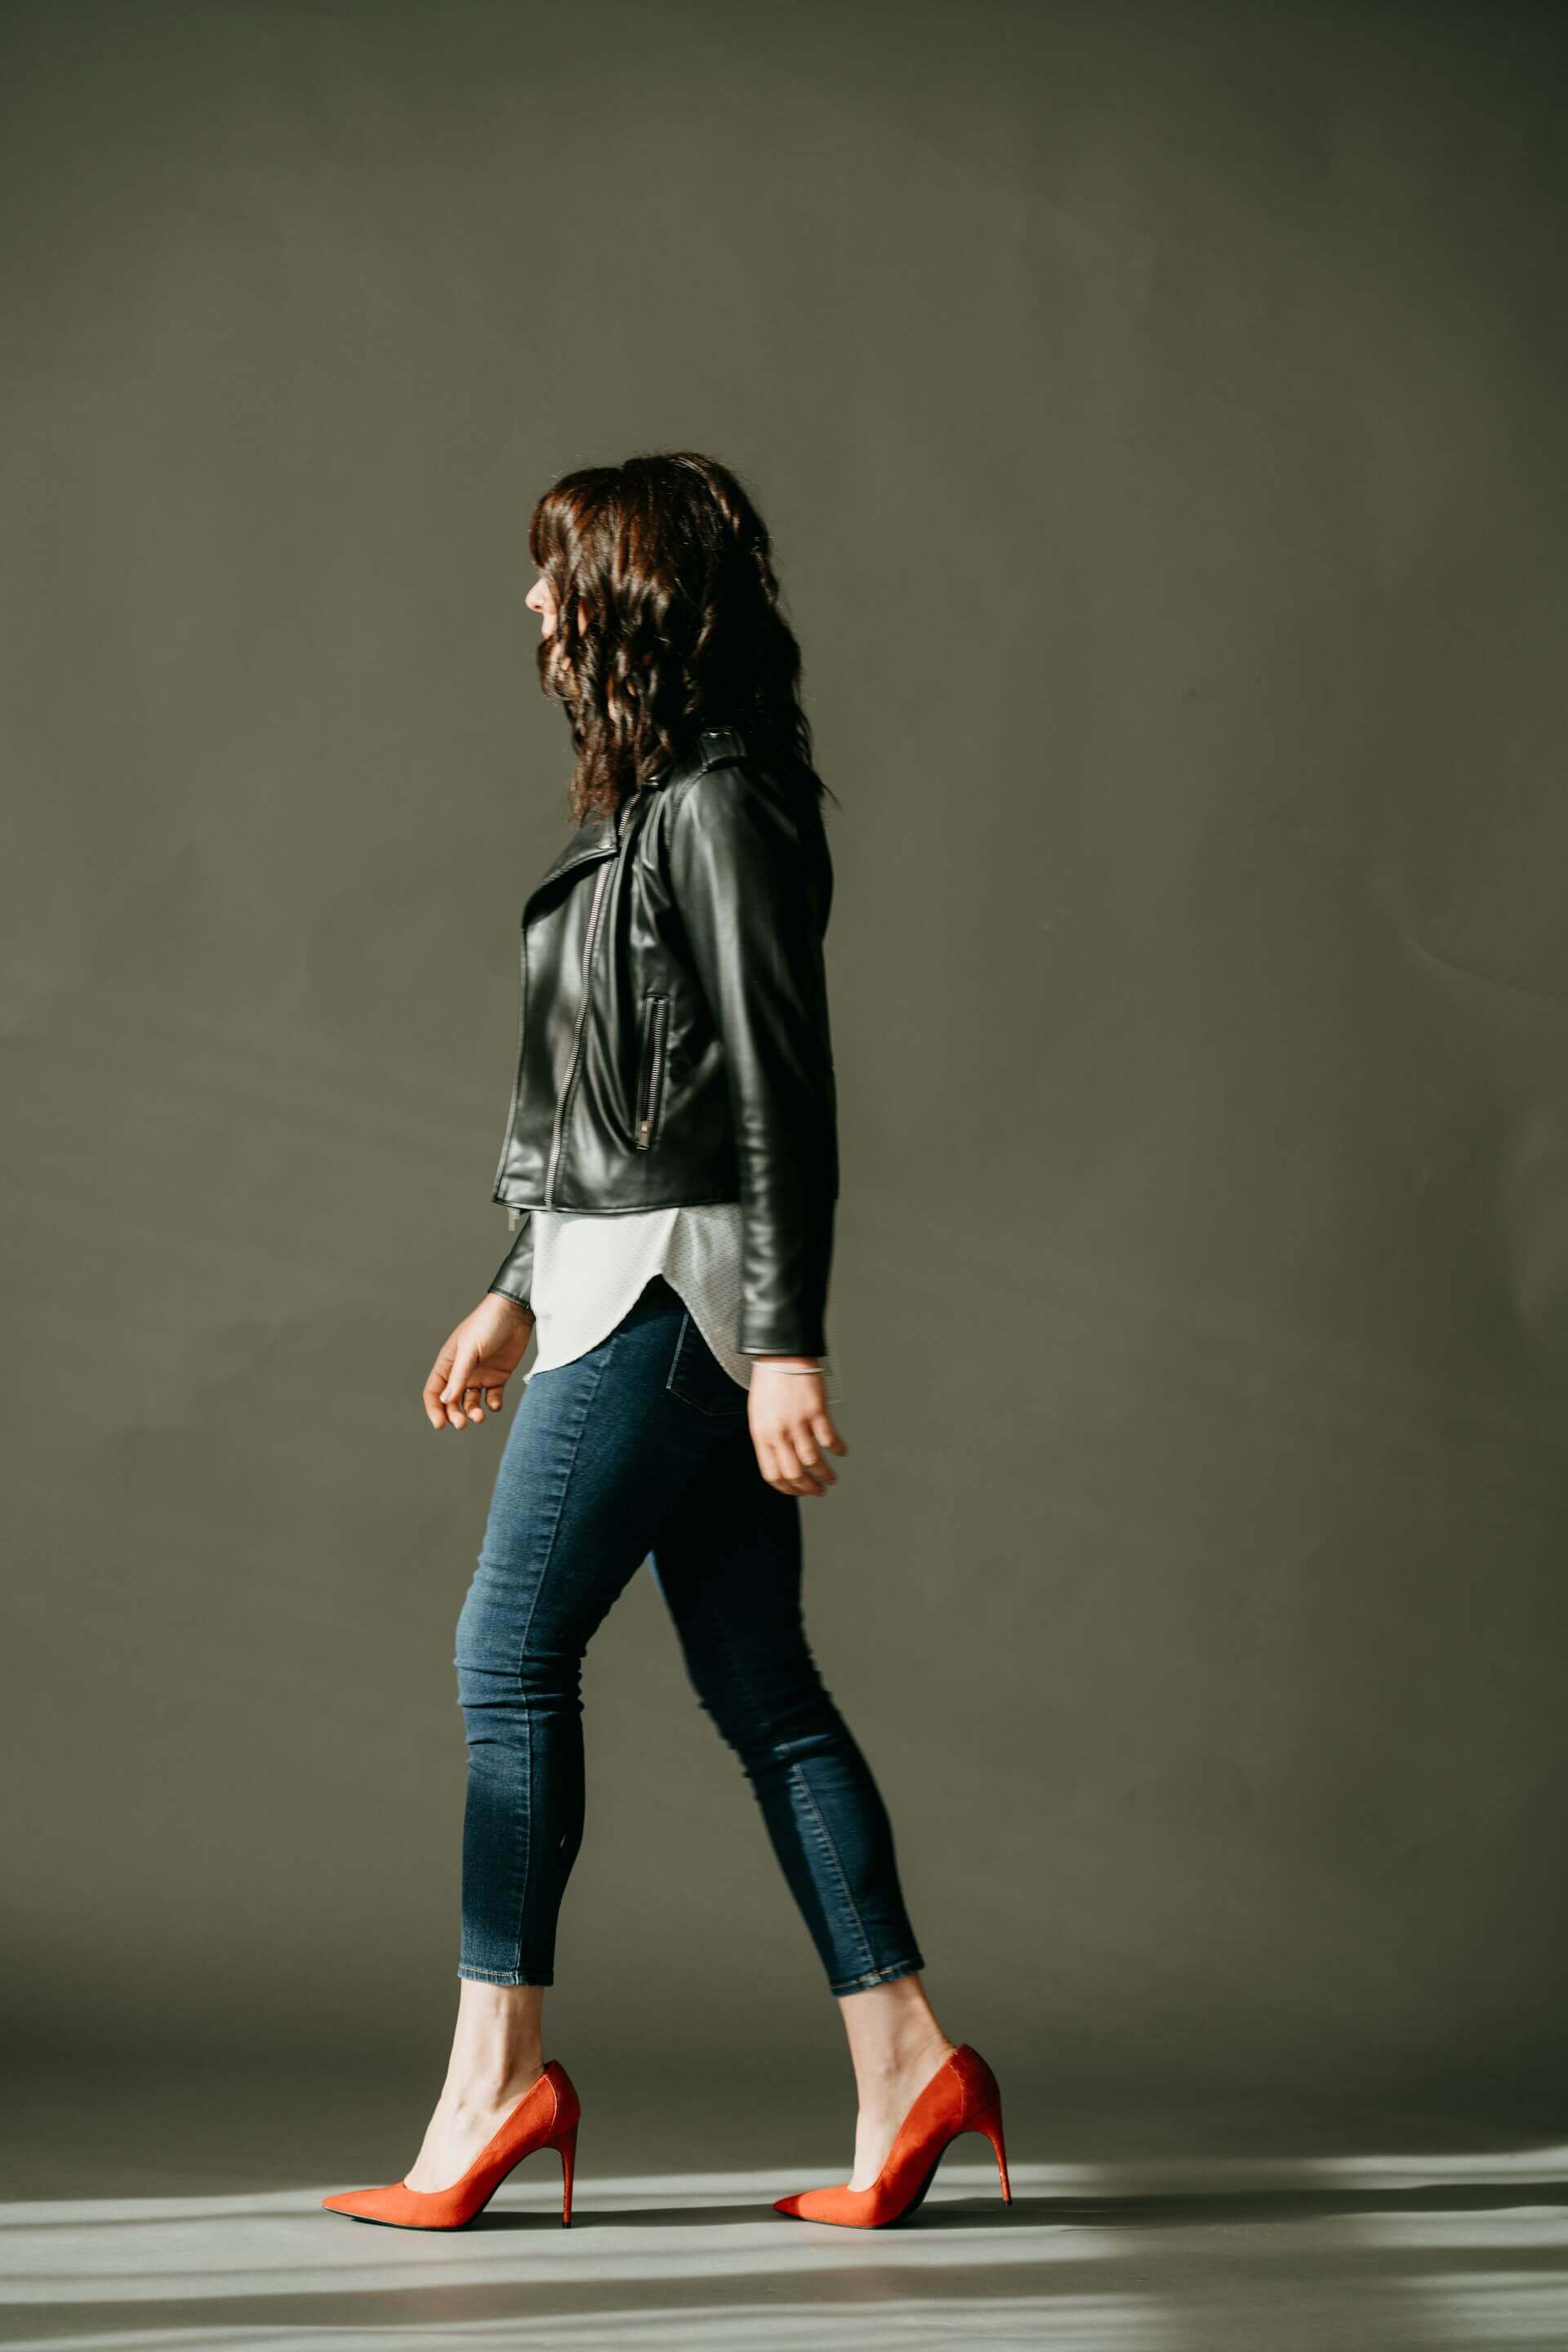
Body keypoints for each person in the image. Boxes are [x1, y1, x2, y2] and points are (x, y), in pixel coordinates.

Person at [322, 452, 1009, 2234]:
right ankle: (909, 2064)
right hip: (614, 1277)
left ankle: (494, 2082)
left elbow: (782, 1090)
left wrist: (789, 1342)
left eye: (554, 574)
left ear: (625, 595)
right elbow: (610, 1096)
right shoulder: (647, 809)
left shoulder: (724, 808)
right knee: (764, 1689)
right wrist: (511, 1280)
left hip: (672, 1297)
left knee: (506, 1656)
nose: (530, 606)